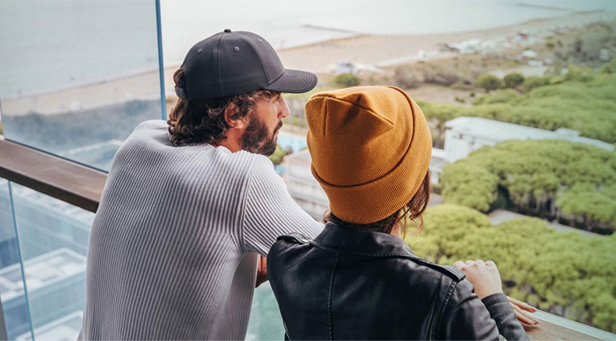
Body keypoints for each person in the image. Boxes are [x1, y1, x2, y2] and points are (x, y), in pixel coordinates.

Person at [78, 30, 323, 340]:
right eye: (274, 97)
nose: (285, 110)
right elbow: (347, 256)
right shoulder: (240, 177)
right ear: (234, 113)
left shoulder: (139, 141)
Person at [267, 86, 531, 340]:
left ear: (322, 172)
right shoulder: (441, 293)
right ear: (412, 180)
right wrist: (491, 299)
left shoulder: (285, 260)